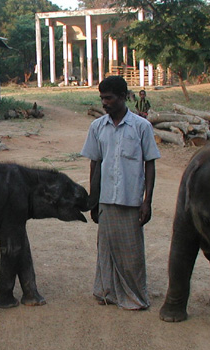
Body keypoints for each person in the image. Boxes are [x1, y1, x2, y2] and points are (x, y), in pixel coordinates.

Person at [81, 76, 160, 310]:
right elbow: (95, 164)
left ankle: (134, 297)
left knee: (131, 254)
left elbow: (150, 164)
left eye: (109, 98)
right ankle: (107, 292)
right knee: (105, 250)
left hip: (130, 201)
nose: (105, 103)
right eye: (102, 98)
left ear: (124, 97)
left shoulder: (141, 127)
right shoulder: (97, 127)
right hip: (105, 199)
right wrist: (93, 201)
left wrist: (147, 201)